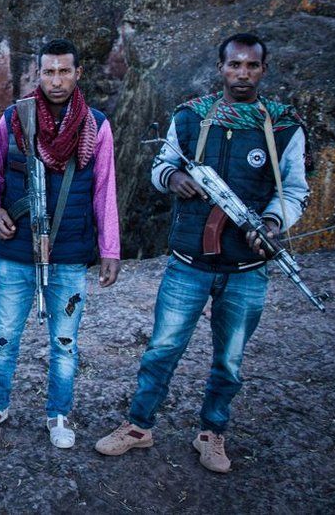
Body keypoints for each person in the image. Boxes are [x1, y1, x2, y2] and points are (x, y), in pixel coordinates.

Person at [95, 33, 309, 473]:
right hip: (189, 264)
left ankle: (212, 432)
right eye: (235, 65)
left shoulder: (284, 126)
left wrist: (270, 224)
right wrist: (173, 179)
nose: (243, 74)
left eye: (251, 66)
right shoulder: (191, 118)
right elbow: (161, 166)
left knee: (229, 361)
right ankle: (139, 425)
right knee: (162, 349)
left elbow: (293, 190)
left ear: (263, 70)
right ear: (221, 68)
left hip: (247, 268)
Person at [0, 38, 121, 449]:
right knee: (4, 335)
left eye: (64, 71)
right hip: (16, 249)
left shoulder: (97, 126)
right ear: (38, 73)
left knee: (65, 342)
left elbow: (104, 190)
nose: (56, 80)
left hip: (70, 252)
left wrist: (110, 249)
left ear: (78, 74)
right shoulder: (13, 118)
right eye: (49, 72)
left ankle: (58, 414)